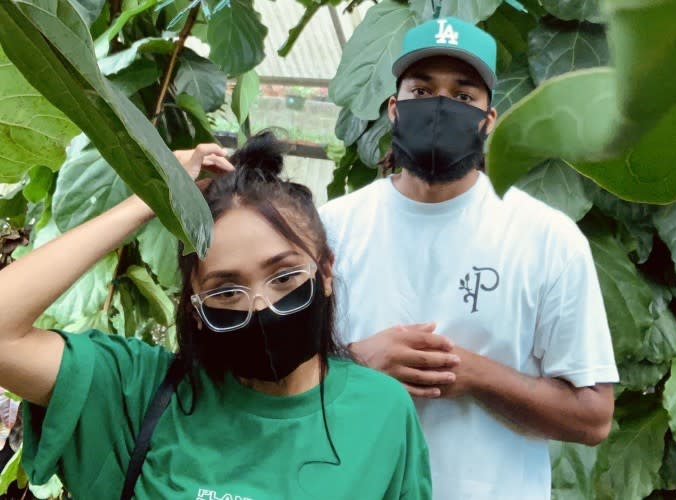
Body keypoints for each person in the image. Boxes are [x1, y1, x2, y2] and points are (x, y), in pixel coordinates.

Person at [0, 133, 431, 499]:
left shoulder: (383, 410)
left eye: (283, 276)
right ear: (196, 308)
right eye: (227, 290)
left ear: (326, 271)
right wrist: (148, 198)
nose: (260, 306)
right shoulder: (137, 392)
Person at [320, 16, 619, 500]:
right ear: (394, 109)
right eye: (422, 91)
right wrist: (356, 365)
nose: (440, 107)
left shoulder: (547, 238)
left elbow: (593, 416)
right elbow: (271, 374)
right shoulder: (330, 228)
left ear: (489, 119)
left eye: (463, 96)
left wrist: (475, 375)